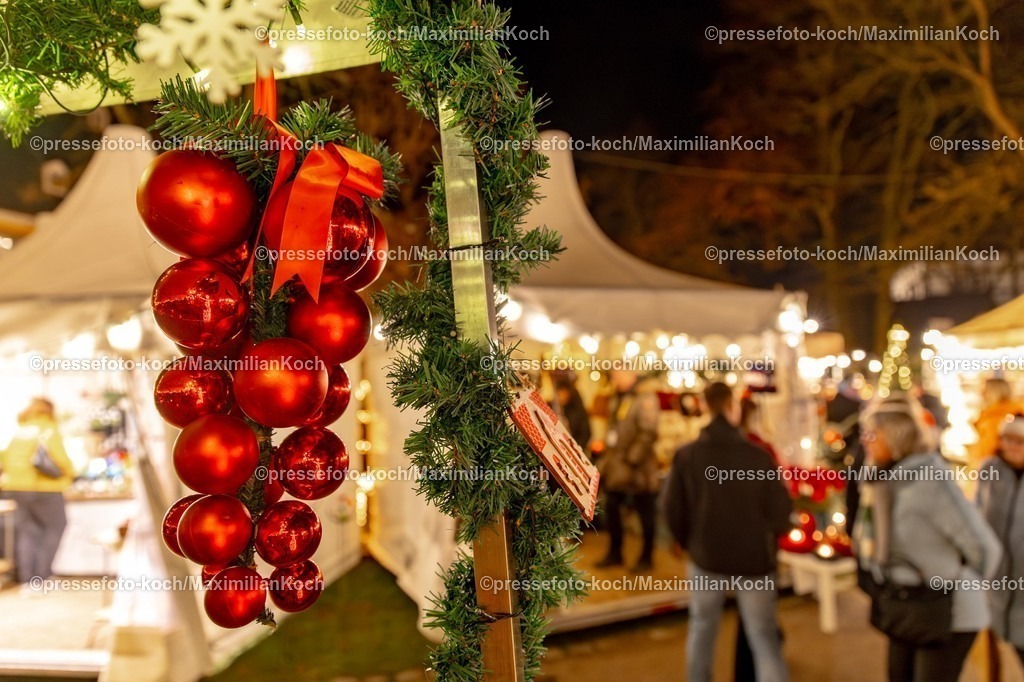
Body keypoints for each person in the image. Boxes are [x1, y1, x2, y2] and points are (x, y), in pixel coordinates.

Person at [854, 395, 1002, 682]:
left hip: (948, 611)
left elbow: (984, 548)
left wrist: (951, 576)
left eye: (873, 433)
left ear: (896, 437)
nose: (865, 441)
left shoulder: (930, 482)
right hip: (904, 606)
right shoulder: (878, 482)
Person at [663, 382, 792, 682]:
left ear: (705, 407)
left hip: (706, 557)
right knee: (764, 639)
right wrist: (769, 538)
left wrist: (688, 542)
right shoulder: (758, 457)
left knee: (702, 631)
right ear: (732, 407)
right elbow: (781, 511)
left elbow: (672, 509)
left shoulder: (688, 455)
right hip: (754, 561)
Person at [0, 398, 75, 592]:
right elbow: (61, 459)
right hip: (45, 488)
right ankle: (42, 578)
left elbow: (5, 458)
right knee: (55, 527)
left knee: (27, 531)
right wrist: (71, 474)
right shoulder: (48, 428)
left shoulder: (21, 430)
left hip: (16, 487)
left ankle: (27, 582)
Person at [597, 369, 661, 573]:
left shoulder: (645, 398)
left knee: (646, 515)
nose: (615, 379)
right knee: (611, 509)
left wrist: (632, 459)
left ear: (631, 374)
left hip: (639, 470)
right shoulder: (619, 397)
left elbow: (648, 432)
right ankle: (615, 552)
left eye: (618, 374)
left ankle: (647, 556)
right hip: (618, 467)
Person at [977, 414, 1024, 671]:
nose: (1013, 447)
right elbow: (976, 513)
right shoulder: (990, 469)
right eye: (1008, 439)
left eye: (1020, 441)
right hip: (995, 583)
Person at [970, 378, 1023, 468]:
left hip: (999, 470)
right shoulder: (989, 414)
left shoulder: (1010, 416)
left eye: (985, 390)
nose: (981, 394)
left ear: (995, 392)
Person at [552, 374, 592, 454]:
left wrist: (575, 449)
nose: (560, 398)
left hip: (575, 450)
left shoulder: (578, 410)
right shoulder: (556, 407)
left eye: (562, 394)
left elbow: (585, 433)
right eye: (558, 394)